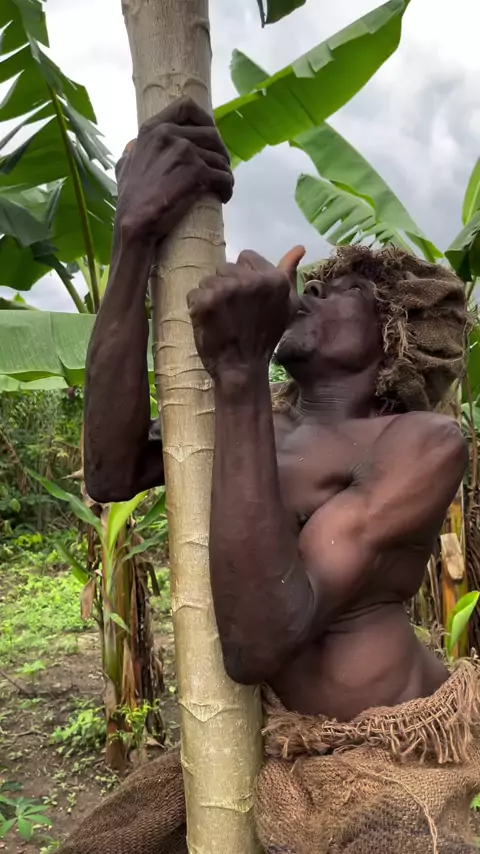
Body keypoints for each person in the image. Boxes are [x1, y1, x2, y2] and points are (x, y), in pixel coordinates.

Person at [65, 97, 479, 854]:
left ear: (394, 338)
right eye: (316, 283)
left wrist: (239, 370)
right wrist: (132, 240)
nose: (311, 290)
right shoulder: (261, 420)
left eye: (344, 292)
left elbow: (260, 642)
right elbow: (110, 469)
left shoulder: (419, 442)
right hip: (272, 738)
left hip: (384, 753)